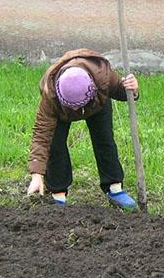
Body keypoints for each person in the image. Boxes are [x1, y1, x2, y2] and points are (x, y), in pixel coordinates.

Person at [27, 48, 139, 211]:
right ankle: (58, 195)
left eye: (79, 107)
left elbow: (124, 93)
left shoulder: (104, 77)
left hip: (97, 105)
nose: (76, 112)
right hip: (60, 111)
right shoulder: (50, 94)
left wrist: (133, 89)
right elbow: (41, 136)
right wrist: (37, 175)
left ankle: (114, 189)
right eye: (72, 107)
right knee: (55, 146)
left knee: (105, 140)